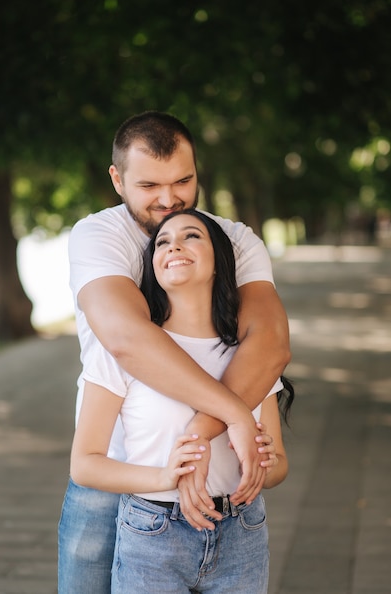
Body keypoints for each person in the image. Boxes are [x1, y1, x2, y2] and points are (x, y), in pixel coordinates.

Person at [58, 112, 291, 592]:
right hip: (115, 470)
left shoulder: (235, 240)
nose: (169, 199)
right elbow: (127, 339)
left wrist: (201, 437)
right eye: (149, 185)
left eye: (183, 180)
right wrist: (236, 416)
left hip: (228, 507)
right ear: (117, 180)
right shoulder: (98, 235)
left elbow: (269, 344)